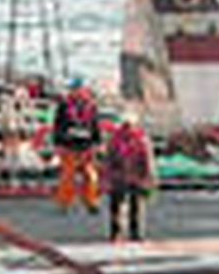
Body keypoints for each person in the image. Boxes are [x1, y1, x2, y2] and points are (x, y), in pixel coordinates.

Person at [104, 111, 156, 241]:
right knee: (116, 205)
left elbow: (148, 160)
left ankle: (136, 232)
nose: (127, 127)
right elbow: (109, 159)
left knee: (136, 205)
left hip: (136, 175)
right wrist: (107, 176)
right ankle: (116, 231)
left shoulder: (141, 139)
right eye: (125, 125)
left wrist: (149, 177)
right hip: (119, 175)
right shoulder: (115, 139)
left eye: (130, 125)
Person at [51, 78, 101, 213]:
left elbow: (95, 125)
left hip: (86, 146)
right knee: (68, 176)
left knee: (91, 176)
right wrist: (57, 143)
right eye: (73, 89)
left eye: (77, 89)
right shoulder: (64, 105)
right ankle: (64, 203)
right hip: (69, 145)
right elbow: (57, 125)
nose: (75, 92)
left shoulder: (91, 106)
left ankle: (91, 201)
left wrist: (97, 143)